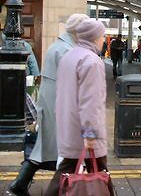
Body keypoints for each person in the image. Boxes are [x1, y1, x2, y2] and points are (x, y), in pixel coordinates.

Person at [9, 13, 88, 196]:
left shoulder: (59, 46)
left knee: (42, 148)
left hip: (51, 104)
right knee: (64, 150)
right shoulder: (67, 50)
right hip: (58, 106)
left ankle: (20, 185)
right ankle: (64, 187)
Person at [45, 18, 113, 196]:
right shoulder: (92, 61)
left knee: (66, 172)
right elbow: (91, 102)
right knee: (100, 175)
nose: (102, 41)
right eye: (101, 37)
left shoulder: (70, 56)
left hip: (68, 127)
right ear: (94, 38)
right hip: (85, 133)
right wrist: (90, 134)